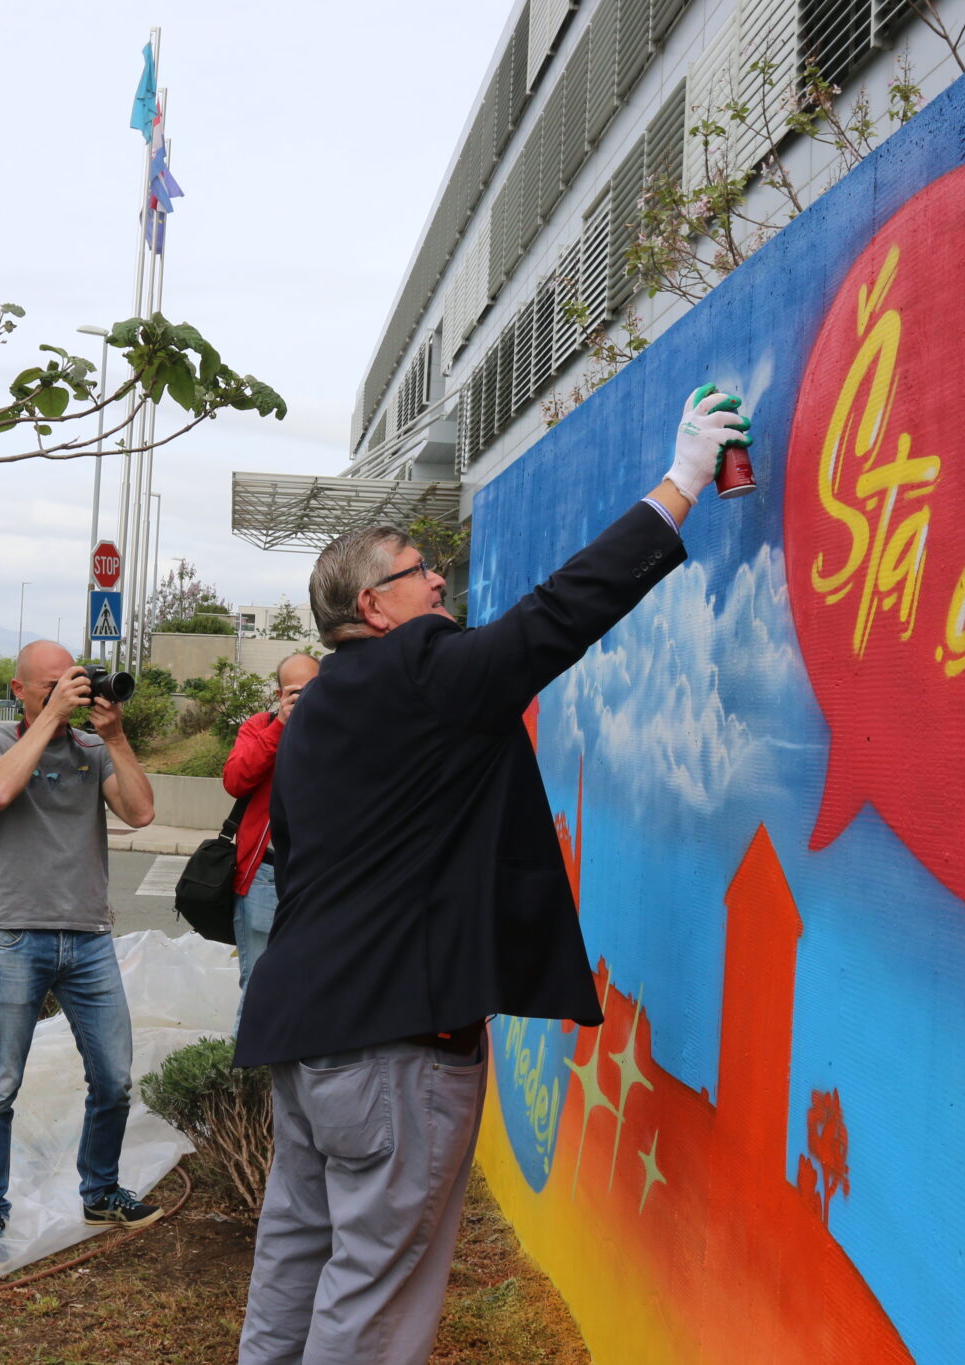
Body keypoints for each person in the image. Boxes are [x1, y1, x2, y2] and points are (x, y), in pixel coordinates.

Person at [234, 387, 752, 1362]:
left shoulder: (315, 715)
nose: (440, 583)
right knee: (370, 1303)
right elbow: (557, 616)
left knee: (294, 1265)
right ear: (372, 605)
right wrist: (682, 482)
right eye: (419, 572)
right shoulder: (421, 669)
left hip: (303, 1042)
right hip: (391, 1051)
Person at [0, 640, 162, 1268]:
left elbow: (142, 812)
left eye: (70, 681)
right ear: (19, 690)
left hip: (88, 938)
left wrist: (117, 737)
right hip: (16, 936)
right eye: (50, 685)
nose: (65, 692)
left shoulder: (92, 751)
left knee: (114, 1079)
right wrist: (50, 719)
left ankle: (100, 1192)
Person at [221, 652, 320, 995]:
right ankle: (249, 1050)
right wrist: (279, 727)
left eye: (313, 689)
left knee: (313, 983)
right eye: (294, 691)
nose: (303, 698)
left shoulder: (340, 728)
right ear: (279, 695)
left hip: (320, 875)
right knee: (260, 985)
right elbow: (235, 781)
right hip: (266, 872)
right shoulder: (260, 727)